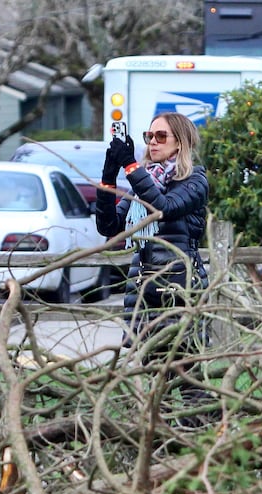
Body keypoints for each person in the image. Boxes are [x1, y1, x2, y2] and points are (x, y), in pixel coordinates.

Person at [96, 111, 209, 350]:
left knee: (185, 368)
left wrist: (131, 167)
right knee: (150, 368)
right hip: (144, 286)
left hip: (180, 284)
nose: (153, 142)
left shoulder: (194, 180)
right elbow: (109, 226)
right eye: (149, 136)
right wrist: (109, 176)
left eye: (161, 136)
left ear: (180, 142)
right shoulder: (144, 182)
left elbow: (163, 207)